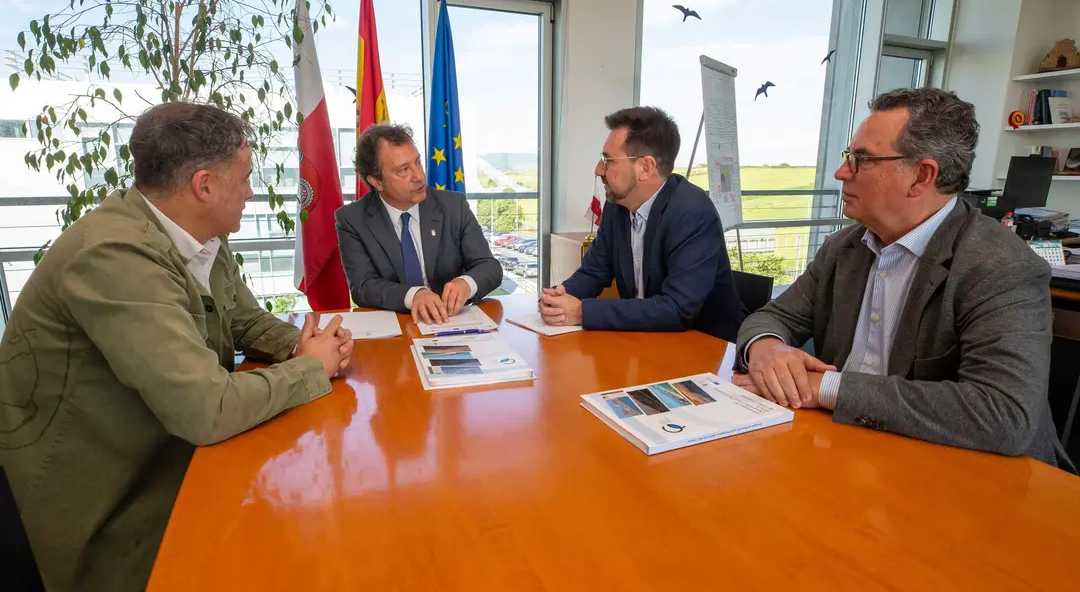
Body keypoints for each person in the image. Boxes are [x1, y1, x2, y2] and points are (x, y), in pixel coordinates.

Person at [0, 102, 353, 592]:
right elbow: (205, 409)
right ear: (204, 185)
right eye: (245, 178)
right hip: (104, 535)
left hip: (166, 469)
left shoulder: (199, 232)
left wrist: (306, 345)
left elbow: (242, 319)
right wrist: (308, 370)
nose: (252, 193)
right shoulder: (115, 256)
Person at [733, 87, 1071, 469]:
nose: (841, 172)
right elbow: (773, 317)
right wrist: (767, 351)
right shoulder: (843, 248)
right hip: (855, 453)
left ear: (921, 176)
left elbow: (1004, 414)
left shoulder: (1000, 266)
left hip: (976, 481)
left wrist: (825, 387)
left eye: (861, 159)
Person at [539, 106, 745, 341]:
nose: (598, 170)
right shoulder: (617, 206)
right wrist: (559, 297)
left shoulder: (693, 212)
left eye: (608, 160)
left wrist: (582, 312)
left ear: (645, 168)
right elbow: (595, 271)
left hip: (706, 349)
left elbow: (677, 310)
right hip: (646, 340)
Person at [336, 124, 502, 325]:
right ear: (377, 182)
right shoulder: (352, 219)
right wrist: (413, 295)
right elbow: (363, 287)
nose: (419, 176)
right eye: (404, 170)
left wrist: (466, 283)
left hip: (452, 323)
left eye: (418, 163)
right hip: (395, 329)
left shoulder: (453, 206)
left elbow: (489, 266)